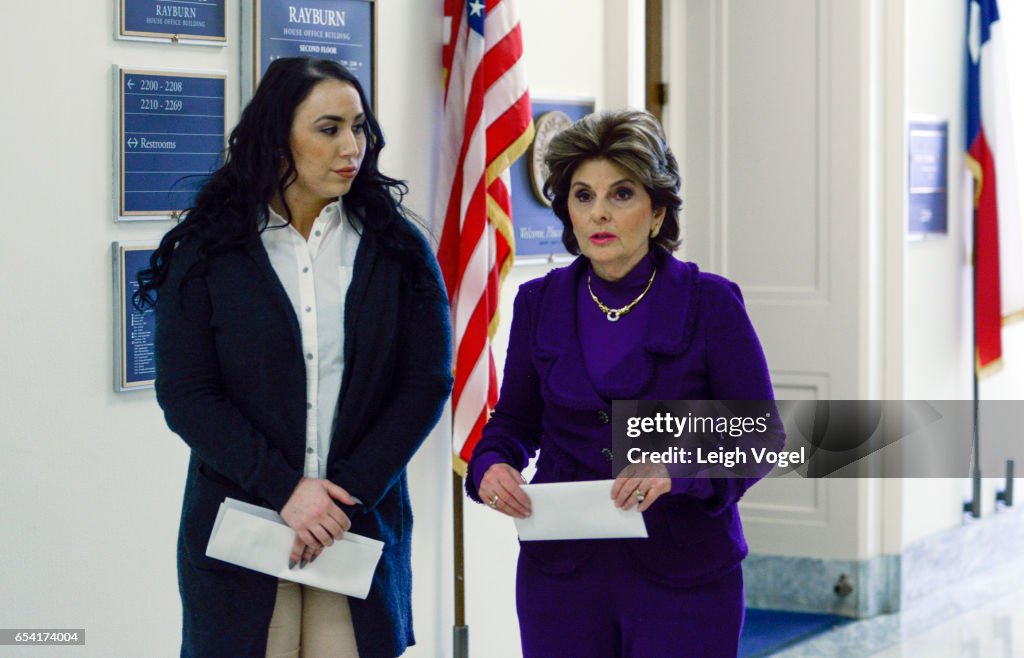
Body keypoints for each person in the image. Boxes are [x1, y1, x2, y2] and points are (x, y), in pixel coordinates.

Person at [136, 58, 453, 658]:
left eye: (359, 127)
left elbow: (426, 382)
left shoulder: (399, 246)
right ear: (277, 138)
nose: (352, 146)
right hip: (241, 527)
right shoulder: (208, 248)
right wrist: (286, 490)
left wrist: (343, 496)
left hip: (355, 526)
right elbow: (187, 394)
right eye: (329, 128)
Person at [465, 109, 784, 657]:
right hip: (562, 573)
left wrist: (676, 469)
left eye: (622, 194)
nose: (599, 214)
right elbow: (515, 421)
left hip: (684, 572)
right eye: (583, 196)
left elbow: (761, 436)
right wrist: (492, 464)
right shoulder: (539, 303)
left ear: (657, 211)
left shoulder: (710, 303)